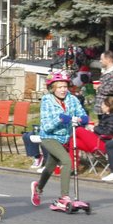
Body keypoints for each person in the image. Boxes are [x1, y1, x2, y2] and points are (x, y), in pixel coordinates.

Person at [30, 71, 88, 211]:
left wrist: (83, 119)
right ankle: (64, 197)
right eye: (59, 87)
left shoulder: (72, 99)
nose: (63, 90)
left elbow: (82, 114)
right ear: (53, 88)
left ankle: (38, 188)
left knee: (50, 166)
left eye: (65, 86)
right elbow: (47, 126)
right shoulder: (46, 100)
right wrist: (62, 118)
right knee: (67, 161)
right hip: (49, 137)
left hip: (64, 138)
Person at [94, 50, 113, 115]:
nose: (100, 61)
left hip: (108, 109)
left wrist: (99, 88)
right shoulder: (106, 71)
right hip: (102, 109)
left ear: (108, 59)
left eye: (102, 59)